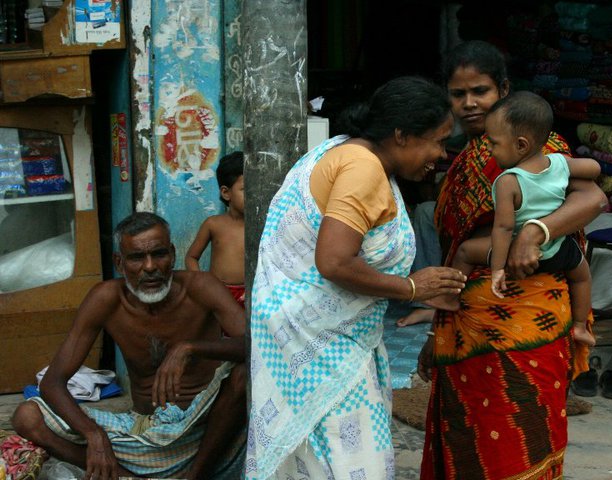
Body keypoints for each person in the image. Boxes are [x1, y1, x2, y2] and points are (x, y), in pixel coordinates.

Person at [245, 76, 467, 480]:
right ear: (400, 135)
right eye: (436, 141)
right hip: (320, 342)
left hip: (312, 332)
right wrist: (413, 287)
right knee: (349, 464)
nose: (440, 154)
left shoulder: (346, 152)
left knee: (316, 459)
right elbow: (334, 261)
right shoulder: (362, 167)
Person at [417, 41, 607, 479]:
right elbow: (458, 250)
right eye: (458, 93)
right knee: (468, 438)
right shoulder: (466, 158)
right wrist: (435, 330)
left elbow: (594, 196)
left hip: (531, 307)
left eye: (479, 91)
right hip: (468, 321)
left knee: (523, 434)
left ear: (502, 89)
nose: (468, 103)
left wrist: (536, 231)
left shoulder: (541, 147)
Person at [11, 212, 247, 480]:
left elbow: (255, 346)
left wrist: (190, 348)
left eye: (159, 254)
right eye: (136, 258)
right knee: (27, 416)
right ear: (119, 263)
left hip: (207, 431)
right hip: (142, 432)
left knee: (241, 375)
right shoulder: (106, 299)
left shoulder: (201, 287)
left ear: (172, 254)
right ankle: (132, 478)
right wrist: (94, 435)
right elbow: (52, 383)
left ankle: (195, 477)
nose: (150, 267)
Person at [451, 91, 600, 347]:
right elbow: (594, 169)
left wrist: (498, 268)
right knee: (582, 275)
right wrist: (567, 165)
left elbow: (504, 227)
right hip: (558, 251)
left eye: (494, 143)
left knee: (465, 251)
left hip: (516, 253)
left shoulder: (508, 181)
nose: (488, 147)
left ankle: (448, 297)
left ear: (521, 145)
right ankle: (580, 327)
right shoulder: (559, 163)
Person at [186, 151, 246, 306]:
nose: (253, 194)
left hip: (254, 292)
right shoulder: (213, 224)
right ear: (226, 193)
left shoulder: (263, 225)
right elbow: (191, 257)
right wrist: (204, 285)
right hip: (220, 294)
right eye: (246, 189)